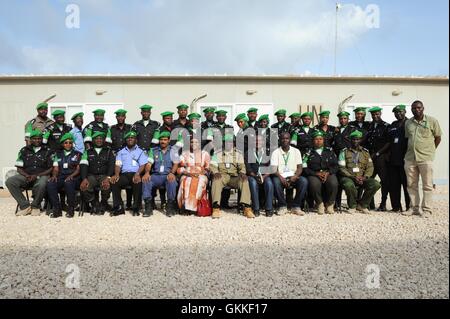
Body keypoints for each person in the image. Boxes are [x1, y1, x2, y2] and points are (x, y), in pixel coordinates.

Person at [402, 100, 442, 217]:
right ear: (411, 110)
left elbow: (438, 137)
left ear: (423, 108)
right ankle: (414, 208)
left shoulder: (432, 121)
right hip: (410, 157)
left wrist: (430, 150)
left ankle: (427, 209)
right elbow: (407, 138)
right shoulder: (408, 123)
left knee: (427, 185)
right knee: (411, 184)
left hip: (425, 157)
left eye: (419, 108)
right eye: (414, 108)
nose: (416, 110)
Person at [6, 130, 53, 216]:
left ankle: (35, 206)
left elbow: (51, 168)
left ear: (42, 139)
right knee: (10, 181)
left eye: (39, 138)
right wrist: (27, 175)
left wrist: (37, 175)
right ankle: (25, 206)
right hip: (26, 176)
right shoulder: (24, 150)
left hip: (41, 175)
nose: (37, 140)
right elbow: (19, 167)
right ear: (30, 140)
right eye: (34, 139)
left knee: (42, 183)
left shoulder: (48, 150)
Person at [210, 134, 255, 219]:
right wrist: (215, 172)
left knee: (244, 180)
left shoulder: (238, 154)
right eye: (226, 142)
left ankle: (247, 208)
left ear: (233, 143)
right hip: (222, 176)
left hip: (234, 177)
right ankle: (216, 208)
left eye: (230, 142)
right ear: (223, 143)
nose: (228, 144)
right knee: (216, 180)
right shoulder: (217, 153)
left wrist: (242, 173)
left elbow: (242, 166)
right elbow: (212, 165)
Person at [338, 130, 381, 214]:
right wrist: (353, 177)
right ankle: (352, 206)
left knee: (376, 184)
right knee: (348, 184)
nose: (355, 141)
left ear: (360, 140)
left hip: (362, 177)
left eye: (357, 139)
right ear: (350, 140)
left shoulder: (365, 153)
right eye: (353, 139)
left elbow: (370, 167)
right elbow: (341, 168)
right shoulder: (344, 152)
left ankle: (362, 205)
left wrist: (365, 177)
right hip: (348, 177)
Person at [110, 131, 148, 217]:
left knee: (137, 182)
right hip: (124, 174)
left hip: (136, 173)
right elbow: (118, 164)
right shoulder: (121, 152)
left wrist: (138, 173)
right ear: (126, 140)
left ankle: (136, 207)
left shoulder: (141, 151)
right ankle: (119, 207)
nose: (130, 139)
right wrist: (116, 174)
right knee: (115, 182)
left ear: (136, 140)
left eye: (132, 138)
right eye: (128, 138)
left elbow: (142, 164)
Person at [142, 131, 179, 217]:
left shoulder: (173, 150)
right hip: (156, 175)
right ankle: (148, 207)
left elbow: (176, 163)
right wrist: (147, 173)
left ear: (169, 140)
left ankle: (170, 206)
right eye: (161, 139)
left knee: (172, 181)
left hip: (167, 175)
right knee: (146, 180)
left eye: (165, 140)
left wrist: (172, 173)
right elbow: (149, 164)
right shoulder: (153, 150)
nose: (163, 141)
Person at [271, 132, 308, 216]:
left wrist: (295, 176)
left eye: (287, 138)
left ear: (290, 140)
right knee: (275, 181)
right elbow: (273, 169)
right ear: (280, 140)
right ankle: (282, 206)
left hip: (293, 176)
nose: (285, 140)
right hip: (281, 176)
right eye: (283, 138)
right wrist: (280, 177)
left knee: (304, 181)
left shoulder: (296, 151)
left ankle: (296, 206)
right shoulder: (275, 152)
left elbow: (300, 167)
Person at [303, 131, 339, 215]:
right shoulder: (308, 152)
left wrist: (328, 172)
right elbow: (304, 167)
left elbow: (336, 165)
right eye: (316, 139)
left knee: (333, 182)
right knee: (314, 183)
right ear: (313, 140)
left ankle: (330, 204)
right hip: (314, 174)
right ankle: (320, 203)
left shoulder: (329, 151)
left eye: (320, 139)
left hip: (328, 173)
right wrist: (316, 174)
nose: (318, 141)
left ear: (323, 140)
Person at [79, 132, 115, 215]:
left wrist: (108, 177)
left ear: (103, 140)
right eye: (96, 138)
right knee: (85, 187)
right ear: (93, 140)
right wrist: (84, 179)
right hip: (91, 175)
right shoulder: (87, 152)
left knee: (107, 186)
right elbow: (83, 165)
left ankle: (103, 203)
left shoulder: (109, 151)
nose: (99, 140)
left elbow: (111, 165)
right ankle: (94, 203)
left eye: (101, 138)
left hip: (104, 175)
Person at [47, 133, 82, 218]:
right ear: (62, 144)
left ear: (72, 143)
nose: (68, 144)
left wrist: (71, 175)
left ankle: (70, 209)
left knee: (69, 183)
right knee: (51, 184)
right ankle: (57, 209)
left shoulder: (78, 154)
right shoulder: (58, 154)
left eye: (70, 142)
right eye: (66, 142)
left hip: (74, 177)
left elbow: (78, 168)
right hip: (61, 176)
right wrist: (54, 176)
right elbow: (56, 168)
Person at [176, 137, 211, 215]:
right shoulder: (184, 154)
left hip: (201, 175)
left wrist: (201, 173)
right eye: (192, 142)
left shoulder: (205, 154)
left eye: (196, 142)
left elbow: (208, 168)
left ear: (199, 144)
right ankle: (184, 207)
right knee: (186, 181)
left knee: (199, 181)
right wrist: (188, 173)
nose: (194, 144)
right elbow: (179, 168)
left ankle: (196, 207)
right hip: (187, 174)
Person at [387, 105, 410, 213]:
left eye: (400, 111)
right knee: (394, 185)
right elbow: (389, 141)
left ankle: (409, 207)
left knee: (407, 185)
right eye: (396, 112)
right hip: (393, 159)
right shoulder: (393, 125)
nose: (398, 114)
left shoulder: (410, 123)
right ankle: (396, 207)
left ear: (405, 111)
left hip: (406, 159)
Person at [366, 106, 390, 211]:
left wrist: (377, 153)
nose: (375, 116)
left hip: (380, 157)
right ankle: (369, 203)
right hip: (370, 157)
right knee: (369, 180)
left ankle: (383, 203)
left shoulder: (385, 126)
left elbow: (388, 143)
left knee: (384, 181)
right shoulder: (370, 126)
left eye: (377, 114)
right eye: (373, 114)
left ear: (380, 114)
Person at [246, 135, 275, 217]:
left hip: (265, 175)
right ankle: (256, 208)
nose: (258, 142)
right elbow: (248, 168)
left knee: (269, 183)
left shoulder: (268, 152)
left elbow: (271, 167)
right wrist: (255, 176)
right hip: (253, 175)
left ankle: (269, 208)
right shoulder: (248, 152)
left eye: (260, 140)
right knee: (252, 182)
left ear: (263, 142)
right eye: (256, 140)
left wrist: (265, 176)